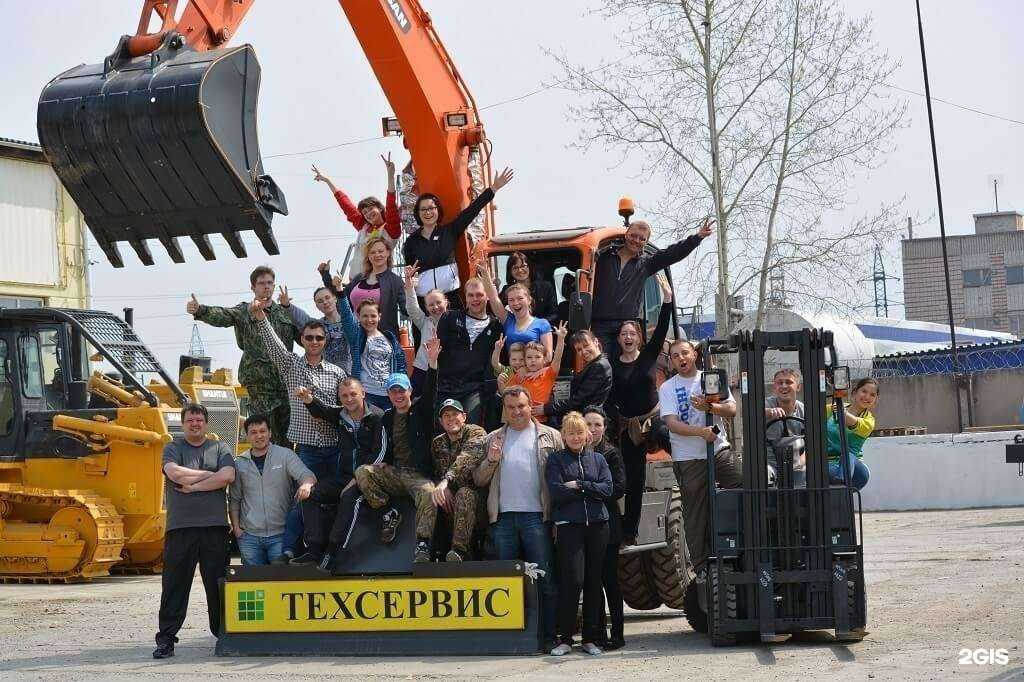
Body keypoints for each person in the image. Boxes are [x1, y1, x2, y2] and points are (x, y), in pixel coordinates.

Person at [252, 298, 346, 559]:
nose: (314, 342)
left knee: (335, 501)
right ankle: (290, 549)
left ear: (325, 341)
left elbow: (342, 411)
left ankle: (332, 549)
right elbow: (274, 346)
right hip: (307, 450)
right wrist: (261, 318)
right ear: (301, 339)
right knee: (302, 499)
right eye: (309, 337)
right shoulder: (291, 366)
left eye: (318, 337)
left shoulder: (337, 374)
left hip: (334, 448)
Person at [474, 386, 563, 650]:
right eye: (511, 407)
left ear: (530, 404)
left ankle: (549, 637)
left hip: (537, 516)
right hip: (503, 519)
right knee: (507, 583)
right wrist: (490, 461)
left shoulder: (551, 436)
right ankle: (510, 639)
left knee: (545, 580)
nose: (516, 412)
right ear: (505, 409)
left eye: (521, 406)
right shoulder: (493, 438)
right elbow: (479, 479)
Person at [154, 404, 236, 660]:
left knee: (217, 586)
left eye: (200, 420)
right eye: (190, 420)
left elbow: (228, 476)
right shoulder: (173, 448)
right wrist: (210, 476)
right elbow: (174, 473)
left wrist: (196, 486)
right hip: (180, 529)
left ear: (206, 423)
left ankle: (223, 635)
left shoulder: (220, 448)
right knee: (174, 586)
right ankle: (166, 640)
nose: (195, 424)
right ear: (183, 423)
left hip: (215, 528)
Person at [353, 339, 442, 564]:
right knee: (363, 472)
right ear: (389, 395)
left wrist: (432, 363)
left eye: (401, 391)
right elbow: (382, 446)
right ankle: (387, 513)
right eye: (393, 392)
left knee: (429, 494)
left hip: (418, 476)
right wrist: (380, 463)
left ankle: (422, 544)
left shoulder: (421, 409)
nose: (398, 396)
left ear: (409, 391)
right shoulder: (387, 417)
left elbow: (431, 390)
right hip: (396, 472)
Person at [658, 340, 741, 578]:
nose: (681, 358)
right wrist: (700, 432)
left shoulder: (711, 378)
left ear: (694, 354)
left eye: (685, 353)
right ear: (671, 361)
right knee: (695, 514)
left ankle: (741, 544)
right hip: (688, 458)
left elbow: (731, 410)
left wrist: (710, 408)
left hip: (717, 451)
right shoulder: (668, 388)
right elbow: (672, 424)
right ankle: (702, 567)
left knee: (744, 484)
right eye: (675, 356)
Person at [187, 265, 297, 445]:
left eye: (270, 283)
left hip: (284, 385)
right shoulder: (244, 311)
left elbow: (306, 335)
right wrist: (200, 310)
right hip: (259, 386)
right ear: (253, 287)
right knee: (262, 435)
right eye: (261, 283)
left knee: (287, 438)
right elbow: (223, 315)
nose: (266, 286)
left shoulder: (285, 313)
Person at [291, 378, 392, 571]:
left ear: (363, 393)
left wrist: (356, 479)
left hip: (370, 479)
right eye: (344, 396)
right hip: (346, 477)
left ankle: (332, 552)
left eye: (353, 394)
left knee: (347, 498)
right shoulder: (341, 415)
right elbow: (322, 411)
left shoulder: (378, 417)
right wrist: (307, 399)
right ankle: (313, 551)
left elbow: (380, 454)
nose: (349, 399)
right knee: (309, 494)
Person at [607, 275, 673, 544]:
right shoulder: (612, 364)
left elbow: (661, 330)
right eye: (624, 334)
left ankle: (691, 464)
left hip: (653, 419)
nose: (629, 337)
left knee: (666, 432)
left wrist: (667, 299)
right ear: (619, 340)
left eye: (632, 333)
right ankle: (629, 532)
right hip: (629, 425)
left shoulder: (648, 355)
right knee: (633, 480)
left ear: (638, 337)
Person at [591, 218, 713, 357]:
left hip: (627, 326)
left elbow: (673, 253)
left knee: (625, 369)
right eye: (633, 235)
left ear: (646, 242)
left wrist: (698, 237)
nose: (636, 240)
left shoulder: (646, 263)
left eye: (641, 239)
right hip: (600, 325)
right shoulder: (604, 257)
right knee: (600, 366)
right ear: (626, 234)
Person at [546, 411, 613, 657]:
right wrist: (589, 492)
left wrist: (581, 486)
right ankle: (565, 639)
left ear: (587, 435)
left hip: (598, 526)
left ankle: (590, 639)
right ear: (563, 436)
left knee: (594, 583)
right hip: (569, 526)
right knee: (572, 582)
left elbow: (607, 489)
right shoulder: (556, 460)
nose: (576, 437)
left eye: (579, 432)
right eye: (570, 432)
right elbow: (556, 492)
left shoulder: (599, 459)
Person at [403, 167, 514, 308]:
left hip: (451, 301)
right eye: (423, 209)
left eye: (432, 208)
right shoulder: (411, 242)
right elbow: (409, 274)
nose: (428, 212)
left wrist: (493, 189)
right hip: (425, 304)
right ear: (418, 213)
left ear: (438, 210)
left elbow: (471, 211)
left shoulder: (450, 231)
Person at [229, 415, 316, 566]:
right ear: (247, 435)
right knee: (253, 585)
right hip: (249, 537)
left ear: (270, 433)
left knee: (280, 584)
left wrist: (306, 485)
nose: (259, 436)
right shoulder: (240, 463)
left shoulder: (285, 455)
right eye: (253, 432)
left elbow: (307, 475)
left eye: (262, 431)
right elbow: (234, 499)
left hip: (281, 535)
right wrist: (237, 529)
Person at [313, 154, 401, 280]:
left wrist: (390, 175)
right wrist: (327, 181)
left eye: (371, 209)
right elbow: (347, 206)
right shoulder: (363, 226)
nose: (368, 214)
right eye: (365, 212)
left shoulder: (391, 229)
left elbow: (391, 206)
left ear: (380, 208)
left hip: (378, 282)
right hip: (356, 281)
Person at [583, 405, 626, 651]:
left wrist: (587, 489)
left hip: (608, 525)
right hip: (585, 525)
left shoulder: (611, 453)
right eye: (588, 424)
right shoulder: (575, 452)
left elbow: (618, 488)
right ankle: (596, 632)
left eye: (597, 424)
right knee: (592, 581)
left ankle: (617, 634)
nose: (592, 429)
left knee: (610, 580)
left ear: (605, 427)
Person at [436, 277, 503, 425]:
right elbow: (436, 352)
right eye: (470, 295)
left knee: (472, 428)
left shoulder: (496, 326)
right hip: (447, 386)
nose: (475, 299)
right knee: (446, 429)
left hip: (474, 388)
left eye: (479, 294)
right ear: (465, 297)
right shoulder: (450, 318)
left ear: (487, 296)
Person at [431, 398, 488, 562]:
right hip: (451, 503)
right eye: (446, 415)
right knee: (431, 495)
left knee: (464, 493)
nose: (451, 418)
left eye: (455, 414)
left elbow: (468, 458)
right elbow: (436, 471)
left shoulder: (476, 432)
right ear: (441, 421)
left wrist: (446, 480)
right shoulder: (437, 443)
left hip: (479, 501)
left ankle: (459, 552)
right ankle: (428, 551)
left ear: (464, 416)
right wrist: (443, 487)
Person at [321, 238, 407, 338]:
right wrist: (325, 275)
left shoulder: (395, 281)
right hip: (355, 337)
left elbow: (406, 310)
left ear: (388, 253)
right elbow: (341, 297)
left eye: (380, 251)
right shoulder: (359, 278)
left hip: (382, 339)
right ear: (368, 256)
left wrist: (411, 291)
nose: (377, 255)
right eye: (372, 252)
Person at [339, 296, 407, 411]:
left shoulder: (389, 337)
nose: (369, 320)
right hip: (367, 394)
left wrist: (401, 389)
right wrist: (341, 293)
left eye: (373, 316)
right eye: (365, 316)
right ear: (358, 317)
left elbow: (401, 365)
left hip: (389, 394)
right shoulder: (357, 337)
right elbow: (346, 318)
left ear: (379, 317)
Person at [479, 258, 553, 361]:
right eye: (511, 300)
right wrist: (485, 274)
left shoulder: (542, 324)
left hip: (535, 374)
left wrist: (528, 370)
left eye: (520, 298)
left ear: (529, 300)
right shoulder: (507, 320)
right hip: (513, 373)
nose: (516, 303)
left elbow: (548, 356)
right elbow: (493, 297)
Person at [535, 330, 613, 423]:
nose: (584, 351)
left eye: (586, 345)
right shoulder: (594, 364)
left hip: (587, 419)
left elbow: (579, 400)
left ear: (596, 342)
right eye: (579, 349)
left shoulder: (599, 366)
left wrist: (547, 409)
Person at [277, 284, 352, 374]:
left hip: (353, 376)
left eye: (327, 297)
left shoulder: (350, 320)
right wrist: (287, 306)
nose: (325, 302)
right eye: (320, 301)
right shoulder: (318, 326)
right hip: (329, 376)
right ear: (317, 307)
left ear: (335, 298)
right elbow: (302, 319)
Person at [404, 263, 449, 394]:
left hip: (445, 372)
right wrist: (409, 285)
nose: (435, 307)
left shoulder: (455, 322)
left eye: (438, 303)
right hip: (422, 370)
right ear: (426, 307)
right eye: (431, 305)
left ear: (446, 302)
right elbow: (412, 308)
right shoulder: (425, 322)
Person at [826, 377, 877, 491]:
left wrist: (840, 411)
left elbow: (853, 422)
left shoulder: (869, 421)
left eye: (872, 395)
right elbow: (813, 411)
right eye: (864, 391)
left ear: (875, 400)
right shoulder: (835, 408)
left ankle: (842, 484)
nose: (867, 397)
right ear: (855, 392)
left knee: (848, 454)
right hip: (829, 463)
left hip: (854, 470)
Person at [509, 325, 568, 420]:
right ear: (524, 360)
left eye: (537, 357)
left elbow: (557, 357)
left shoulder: (548, 373)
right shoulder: (519, 375)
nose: (533, 360)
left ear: (544, 359)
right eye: (529, 357)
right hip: (523, 421)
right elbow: (508, 396)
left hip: (545, 421)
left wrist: (561, 339)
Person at [765, 368, 805, 476]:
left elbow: (814, 443)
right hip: (770, 464)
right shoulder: (767, 405)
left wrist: (801, 462)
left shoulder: (805, 411)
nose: (783, 386)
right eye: (779, 383)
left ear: (798, 387)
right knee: (764, 475)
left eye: (788, 382)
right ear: (774, 387)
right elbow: (752, 414)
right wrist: (768, 412)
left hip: (796, 463)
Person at [500, 252, 557, 323]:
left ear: (529, 267)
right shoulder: (507, 290)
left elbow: (554, 314)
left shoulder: (545, 287)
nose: (520, 270)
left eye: (523, 266)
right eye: (515, 268)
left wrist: (538, 325)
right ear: (510, 272)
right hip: (516, 330)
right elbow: (496, 309)